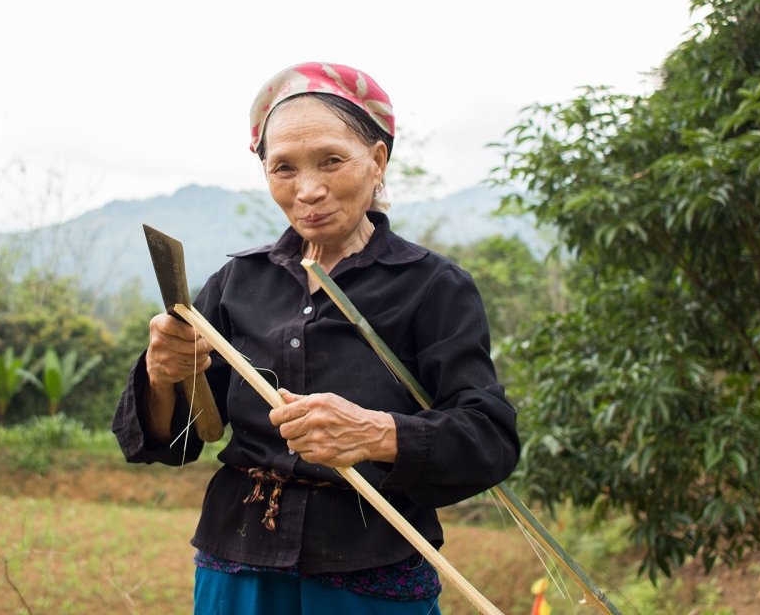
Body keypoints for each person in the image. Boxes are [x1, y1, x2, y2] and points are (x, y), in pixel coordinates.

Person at [113, 61, 519, 614]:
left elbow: (489, 438)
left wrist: (377, 434)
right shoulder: (237, 283)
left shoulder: (433, 287)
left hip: (371, 569)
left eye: (332, 160)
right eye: (284, 168)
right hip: (239, 564)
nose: (309, 190)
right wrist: (164, 374)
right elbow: (181, 440)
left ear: (377, 161)